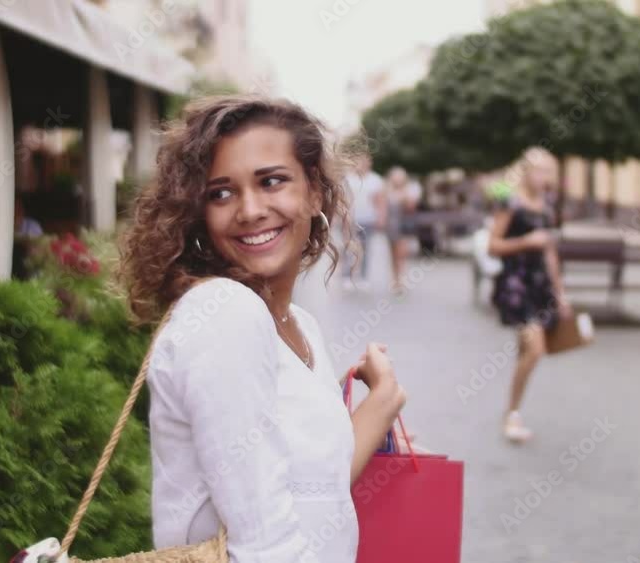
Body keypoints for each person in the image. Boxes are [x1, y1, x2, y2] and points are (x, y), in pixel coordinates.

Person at [118, 96, 407, 562]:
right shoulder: (225, 313)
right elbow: (264, 549)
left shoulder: (300, 326)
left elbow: (317, 491)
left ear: (314, 192)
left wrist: (383, 401)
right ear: (199, 212)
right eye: (221, 193)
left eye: (271, 181)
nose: (250, 210)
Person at [487, 148, 571, 443]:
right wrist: (526, 241)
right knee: (535, 349)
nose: (544, 177)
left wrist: (560, 293)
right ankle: (511, 414)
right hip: (515, 285)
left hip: (539, 285)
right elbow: (492, 246)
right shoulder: (510, 203)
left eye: (549, 171)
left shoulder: (546, 205)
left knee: (526, 351)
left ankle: (513, 411)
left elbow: (550, 252)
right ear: (525, 172)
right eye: (539, 170)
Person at [375, 166, 420, 294]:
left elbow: (412, 206)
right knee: (393, 255)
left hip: (403, 227)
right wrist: (381, 221)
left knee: (401, 254)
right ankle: (395, 279)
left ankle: (400, 280)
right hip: (391, 226)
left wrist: (404, 196)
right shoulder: (386, 191)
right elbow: (381, 207)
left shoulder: (409, 190)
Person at [342, 152, 383, 290]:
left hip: (368, 219)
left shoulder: (375, 180)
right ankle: (347, 276)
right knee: (349, 248)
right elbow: (343, 199)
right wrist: (344, 216)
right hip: (351, 219)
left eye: (365, 161)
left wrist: (380, 217)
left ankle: (363, 277)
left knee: (366, 248)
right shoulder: (348, 178)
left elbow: (379, 201)